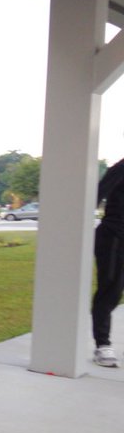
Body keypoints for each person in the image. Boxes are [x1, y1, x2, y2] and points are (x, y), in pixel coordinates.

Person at [92, 157, 124, 367]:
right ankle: (102, 345)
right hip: (114, 237)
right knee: (110, 290)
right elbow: (97, 194)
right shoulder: (121, 168)